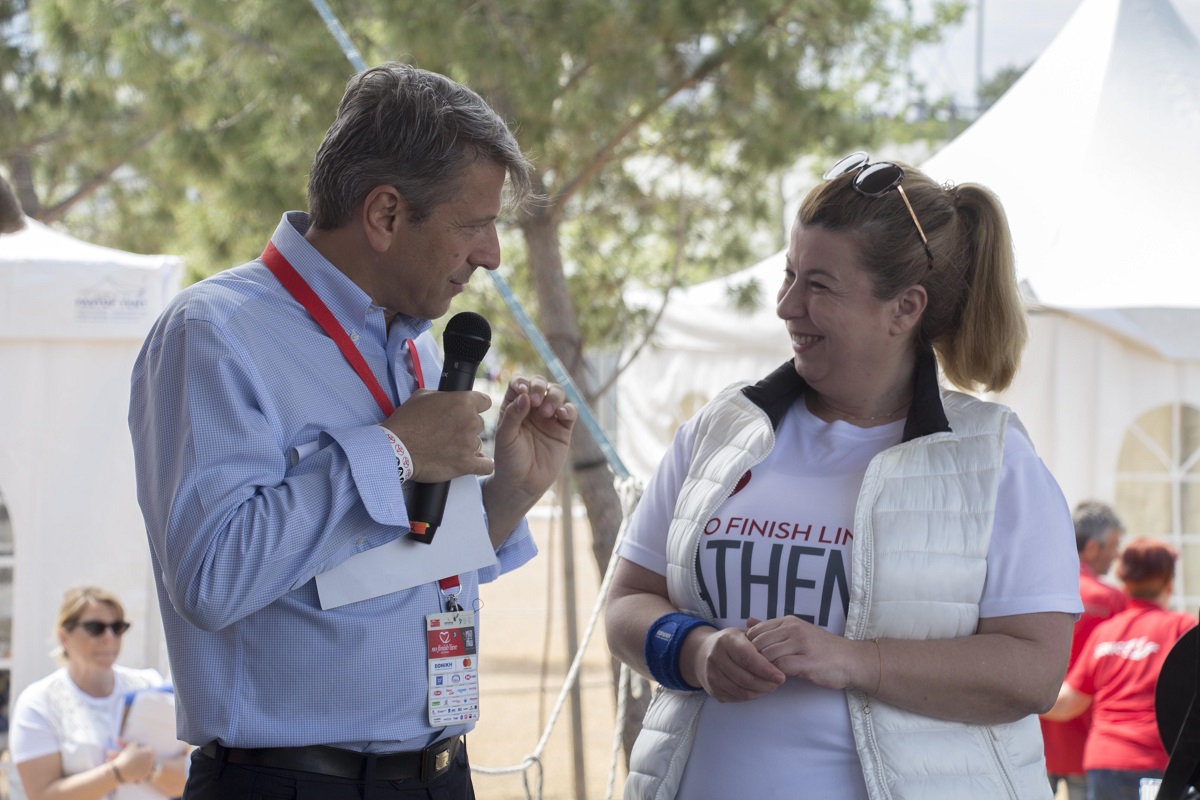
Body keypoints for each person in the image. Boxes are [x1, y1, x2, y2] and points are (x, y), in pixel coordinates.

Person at [128, 63, 577, 799]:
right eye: (474, 225)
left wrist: (509, 497)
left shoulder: (414, 342)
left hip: (437, 772)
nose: (492, 254)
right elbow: (210, 578)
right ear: (386, 215)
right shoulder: (213, 333)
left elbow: (388, 561)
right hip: (294, 782)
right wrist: (395, 450)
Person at [604, 151, 1082, 800]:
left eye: (819, 286)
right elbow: (627, 603)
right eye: (790, 274)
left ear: (904, 308)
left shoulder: (995, 460)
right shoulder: (722, 432)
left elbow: (1033, 672)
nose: (786, 305)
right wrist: (692, 650)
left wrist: (857, 660)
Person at [1042, 538, 1196, 800]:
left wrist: (1013, 694)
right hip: (1157, 762)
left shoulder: (1106, 632)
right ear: (1169, 581)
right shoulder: (1182, 628)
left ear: (1125, 581)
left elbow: (1068, 703)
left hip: (1103, 763)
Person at [9, 586, 188, 799]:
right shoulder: (38, 702)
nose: (109, 637)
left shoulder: (149, 684)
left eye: (117, 627)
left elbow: (186, 778)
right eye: (96, 628)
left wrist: (151, 767)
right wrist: (118, 772)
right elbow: (41, 795)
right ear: (64, 636)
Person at [1043, 501, 1129, 800]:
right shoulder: (1112, 600)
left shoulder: (1042, 588)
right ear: (1092, 548)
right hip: (1089, 742)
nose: (1117, 555)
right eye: (1114, 546)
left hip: (1036, 738)